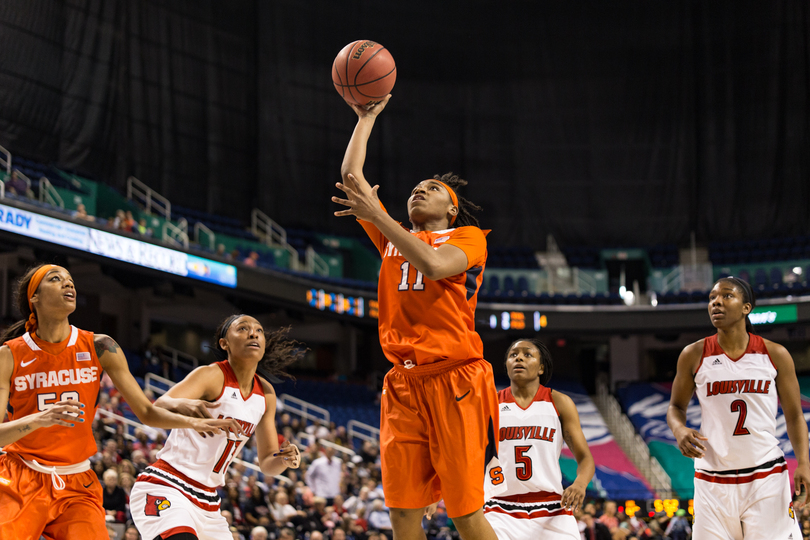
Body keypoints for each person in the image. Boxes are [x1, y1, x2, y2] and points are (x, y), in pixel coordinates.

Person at [335, 95, 502, 540]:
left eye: (431, 188)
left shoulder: (468, 237)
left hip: (456, 379)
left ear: (451, 208)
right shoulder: (395, 237)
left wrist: (378, 216)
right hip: (403, 384)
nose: (417, 190)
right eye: (414, 188)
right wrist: (366, 119)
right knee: (402, 510)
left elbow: (434, 265)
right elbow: (352, 177)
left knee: (464, 512)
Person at [0, 264, 242, 539]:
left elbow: (147, 412)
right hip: (21, 475)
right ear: (34, 298)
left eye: (70, 280)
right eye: (56, 280)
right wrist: (39, 419)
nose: (69, 285)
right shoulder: (9, 355)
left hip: (76, 482)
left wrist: (194, 422)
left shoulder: (100, 346)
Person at [130, 314, 305, 540]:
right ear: (225, 343)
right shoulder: (212, 375)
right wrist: (187, 405)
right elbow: (160, 405)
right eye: (243, 328)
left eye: (259, 331)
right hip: (168, 485)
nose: (253, 333)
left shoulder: (266, 394)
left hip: (209, 502)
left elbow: (267, 464)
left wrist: (285, 459)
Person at [667, 276, 810, 539]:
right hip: (712, 480)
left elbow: (794, 415)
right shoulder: (693, 354)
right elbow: (676, 406)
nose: (716, 303)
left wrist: (804, 462)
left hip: (765, 475)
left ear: (747, 307)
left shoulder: (775, 354)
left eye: (726, 296)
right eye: (712, 298)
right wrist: (679, 430)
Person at [484, 339, 594, 540]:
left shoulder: (559, 402)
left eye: (527, 354)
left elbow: (585, 458)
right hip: (500, 508)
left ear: (541, 367)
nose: (518, 357)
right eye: (513, 355)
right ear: (507, 366)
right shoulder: (490, 404)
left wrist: (579, 484)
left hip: (553, 509)